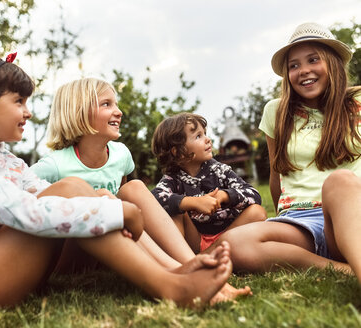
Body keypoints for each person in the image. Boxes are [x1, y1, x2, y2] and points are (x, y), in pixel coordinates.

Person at [0, 54, 238, 317]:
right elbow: (30, 214)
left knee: (82, 192)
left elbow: (48, 191)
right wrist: (117, 211)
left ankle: (176, 273)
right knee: (77, 193)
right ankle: (170, 286)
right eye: (19, 101)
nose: (28, 112)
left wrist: (105, 201)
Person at [30, 77, 251, 301]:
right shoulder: (53, 165)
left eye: (115, 104)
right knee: (104, 198)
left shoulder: (120, 154)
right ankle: (177, 274)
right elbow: (26, 209)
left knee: (133, 188)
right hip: (73, 254)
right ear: (78, 112)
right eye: (106, 104)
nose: (118, 111)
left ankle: (189, 266)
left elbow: (127, 201)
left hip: (114, 247)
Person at [217, 22, 361, 283]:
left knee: (340, 181)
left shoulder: (358, 102)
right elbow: (277, 173)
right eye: (294, 65)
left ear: (333, 63)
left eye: (313, 60)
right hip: (302, 221)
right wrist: (282, 219)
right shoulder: (277, 111)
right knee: (231, 244)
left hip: (353, 210)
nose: (303, 71)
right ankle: (342, 269)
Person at [151, 113, 267, 253]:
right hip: (195, 240)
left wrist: (224, 196)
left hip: (229, 235)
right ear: (178, 152)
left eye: (205, 134)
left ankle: (209, 254)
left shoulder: (219, 170)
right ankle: (202, 255)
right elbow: (154, 199)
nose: (208, 140)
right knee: (174, 212)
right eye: (198, 136)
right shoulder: (172, 179)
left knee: (257, 212)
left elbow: (253, 195)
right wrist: (193, 202)